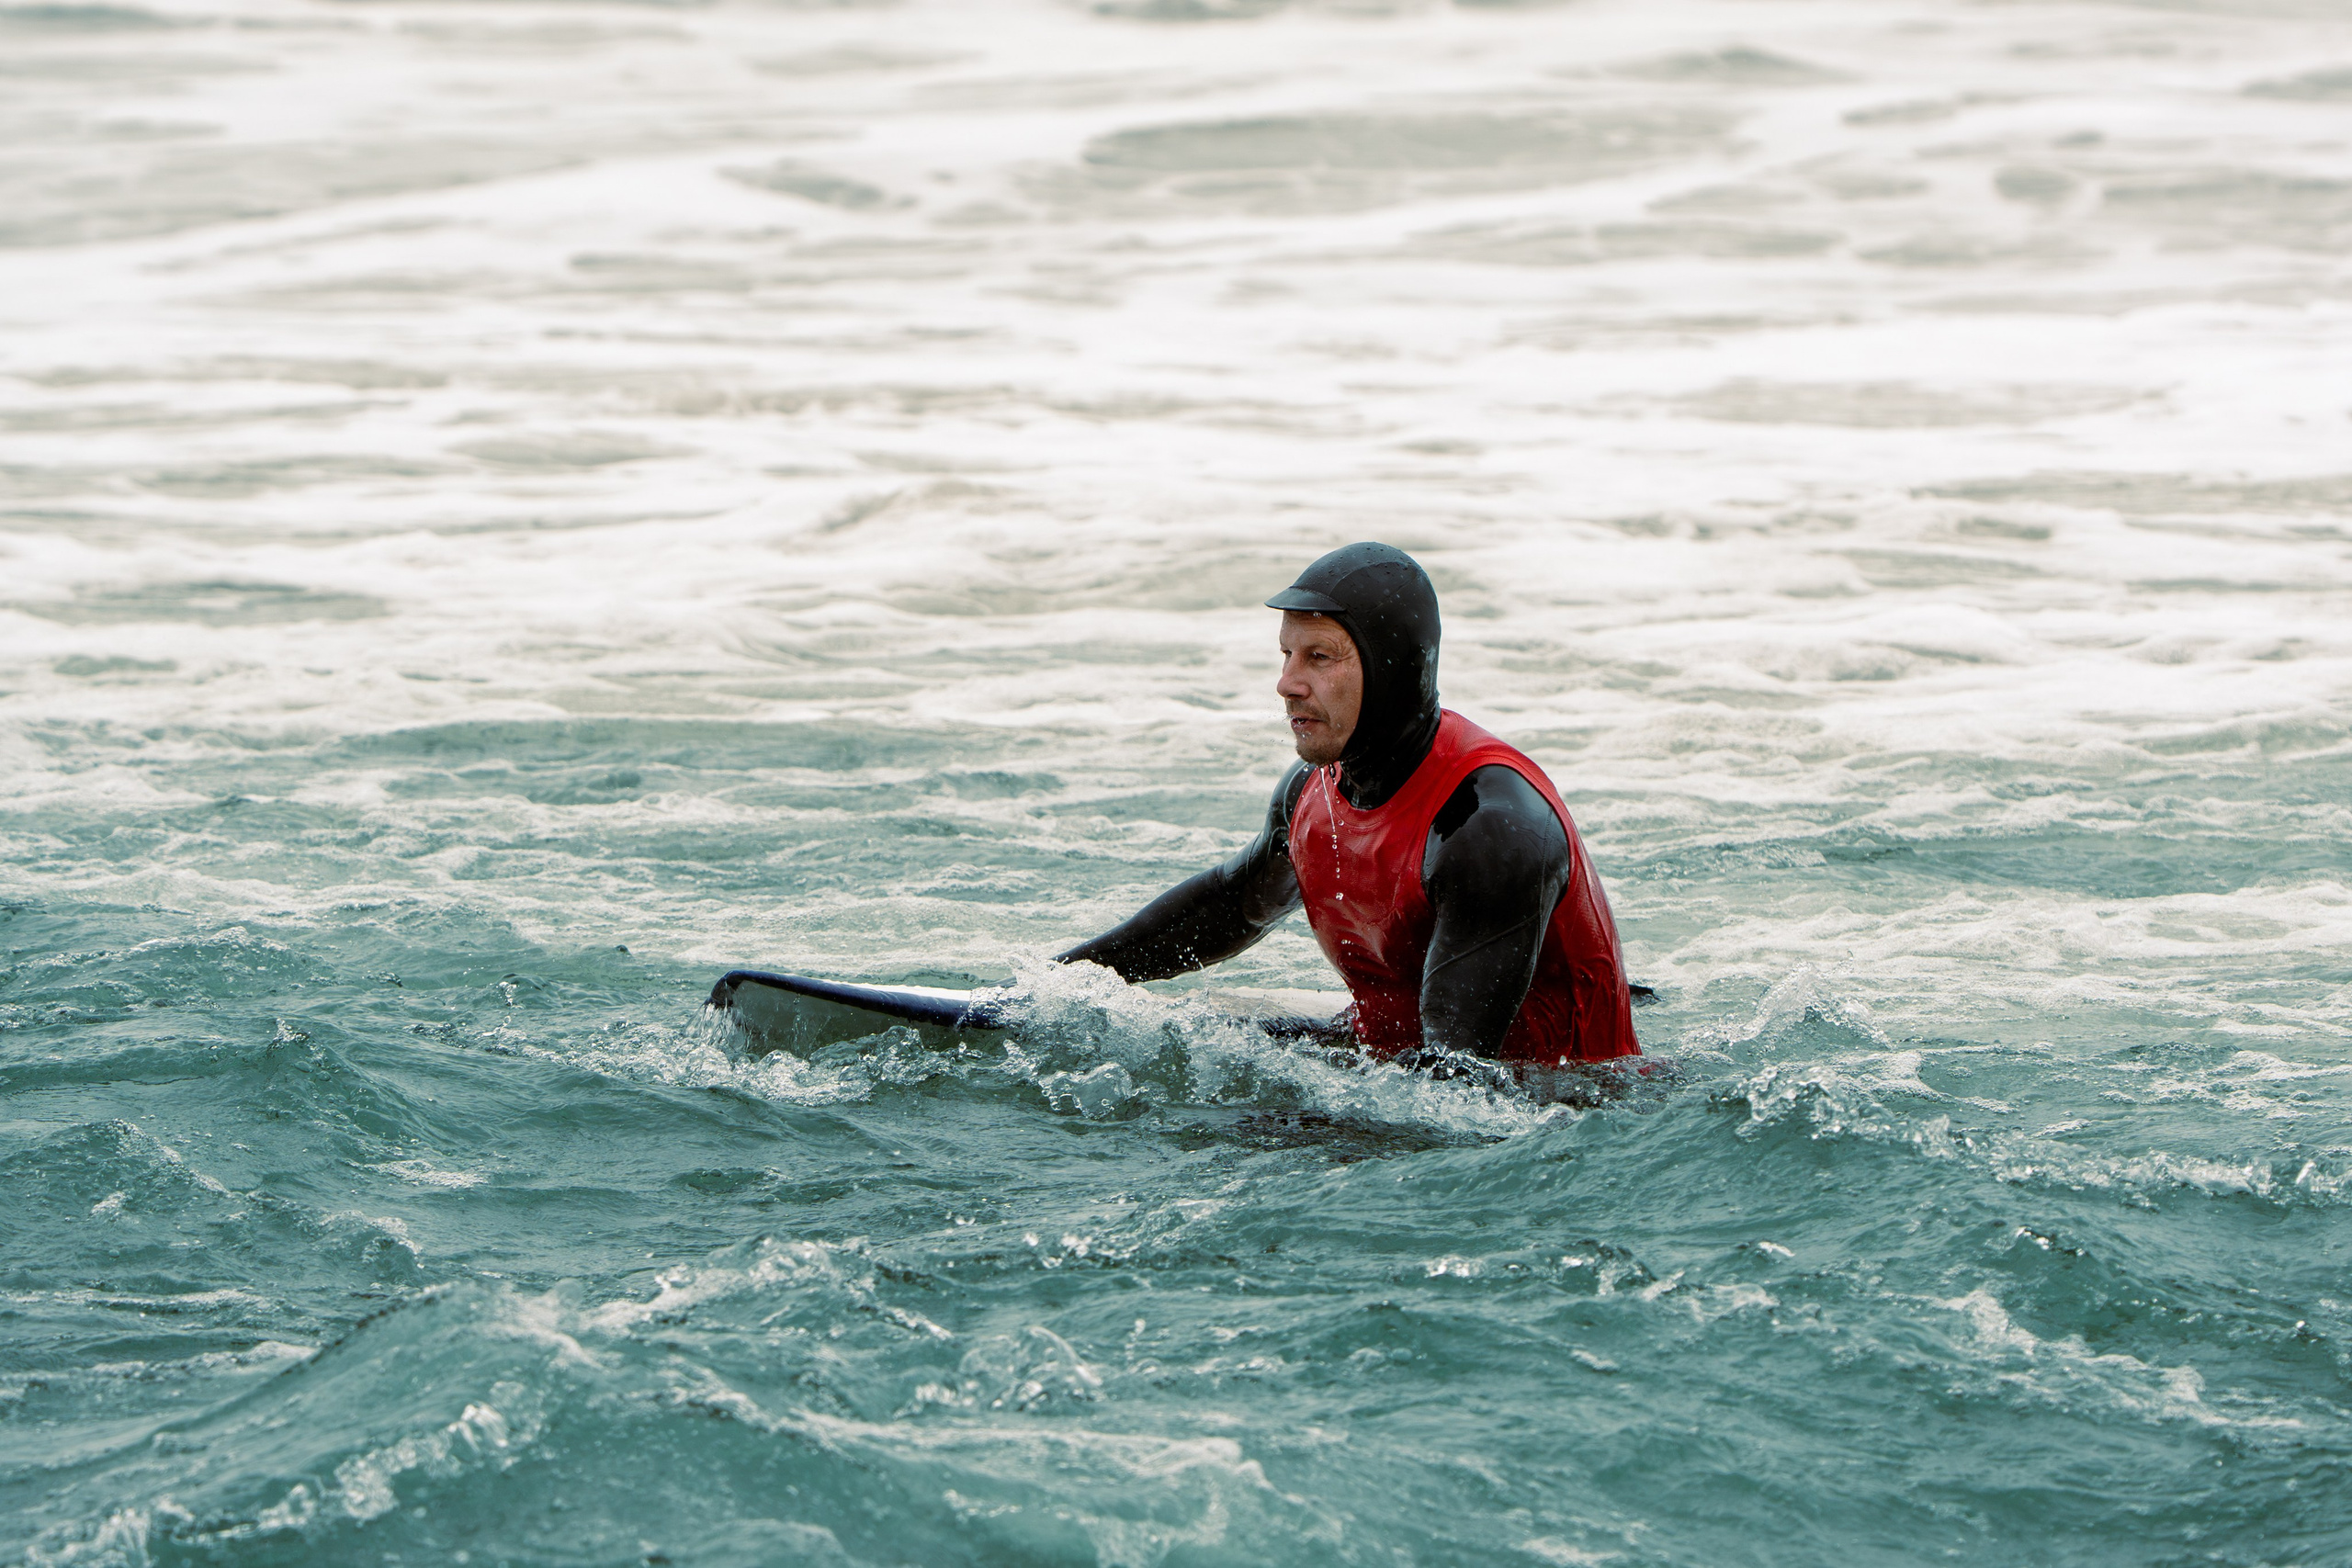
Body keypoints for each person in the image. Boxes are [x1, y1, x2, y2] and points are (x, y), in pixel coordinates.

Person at [1055, 542, 1640, 1072]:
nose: (1287, 683)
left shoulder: (1488, 830)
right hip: (1396, 1061)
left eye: (1319, 657)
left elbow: (1456, 1089)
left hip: (1558, 1105)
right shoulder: (1312, 789)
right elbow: (1233, 904)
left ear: (1392, 670)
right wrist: (1060, 983)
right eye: (1286, 654)